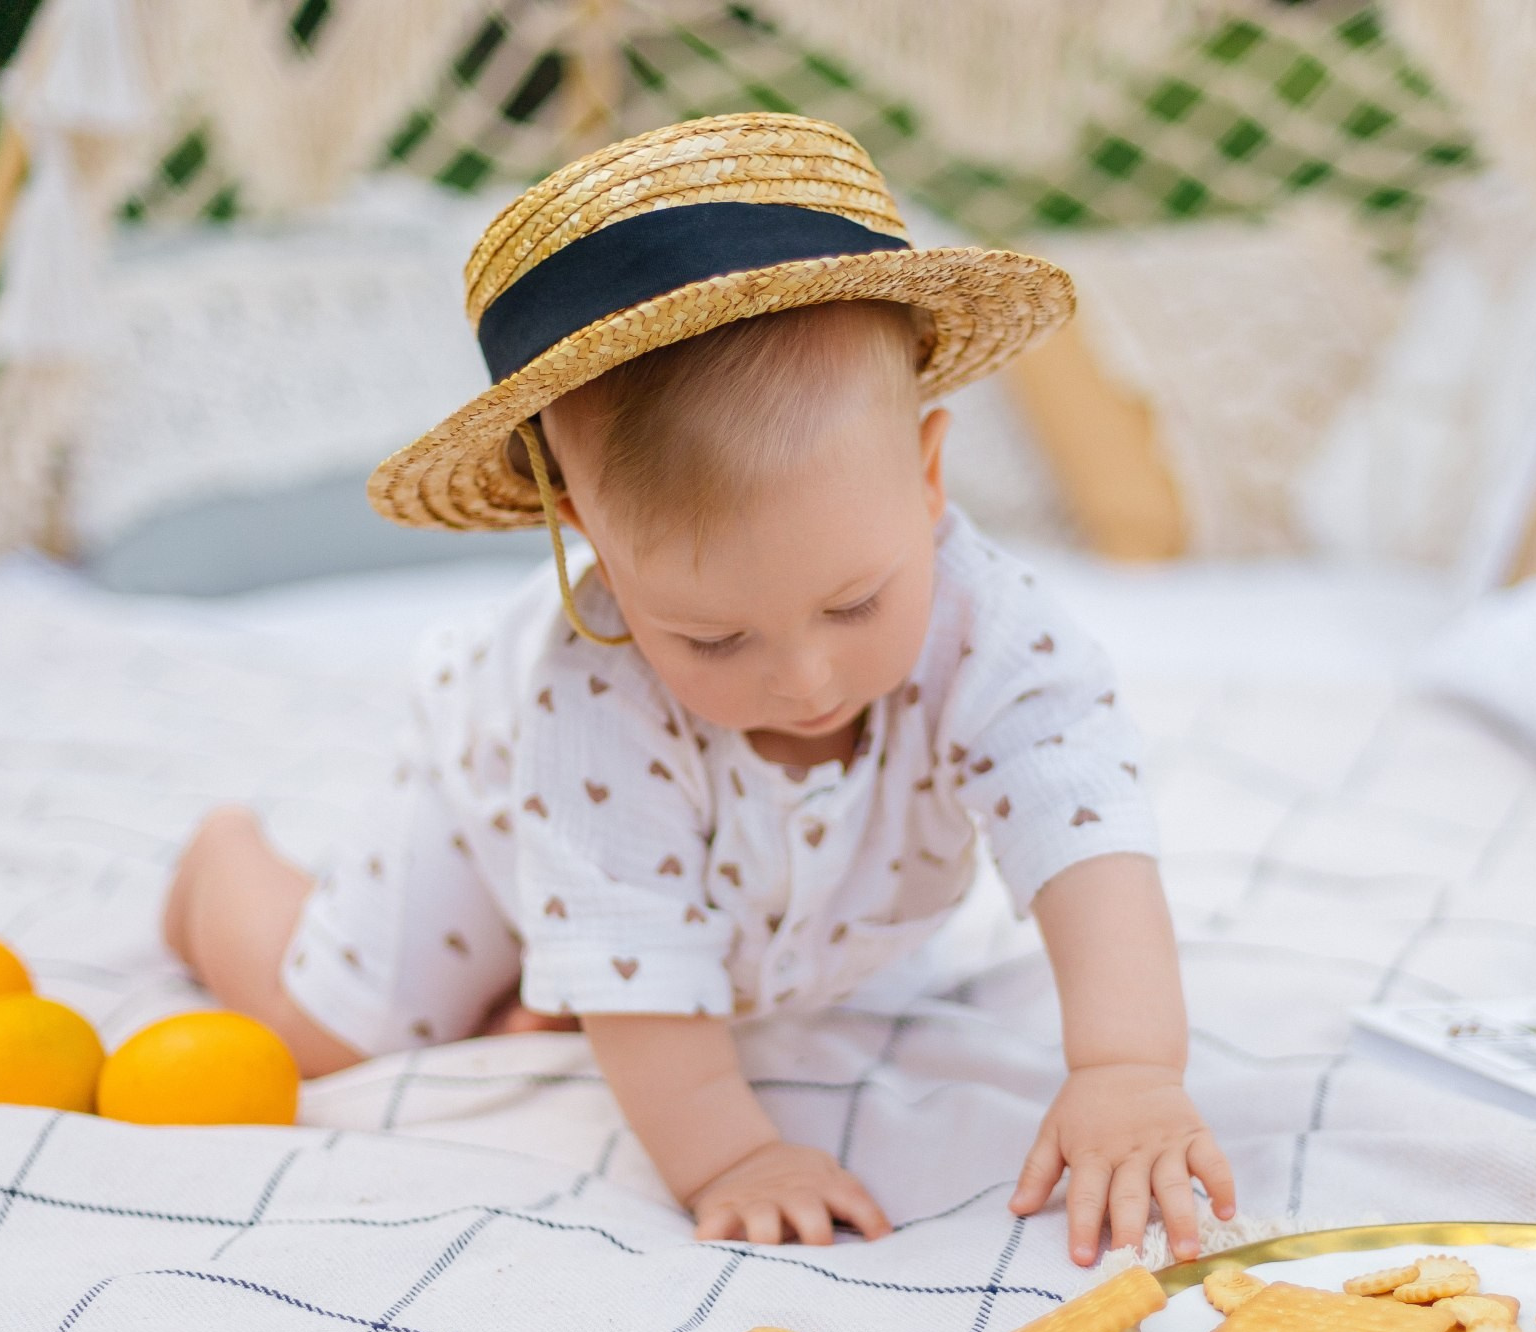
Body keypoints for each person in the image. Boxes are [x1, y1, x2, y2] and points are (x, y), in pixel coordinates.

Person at [164, 112, 1234, 1266]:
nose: (806, 678)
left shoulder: (993, 621)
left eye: (855, 603)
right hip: (495, 819)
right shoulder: (587, 695)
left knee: (684, 965)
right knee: (329, 1031)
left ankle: (554, 977)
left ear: (927, 474)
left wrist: (1126, 1066)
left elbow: (1084, 829)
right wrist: (731, 1155)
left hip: (770, 912)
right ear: (593, 546)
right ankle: (220, 869)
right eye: (713, 637)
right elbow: (635, 962)